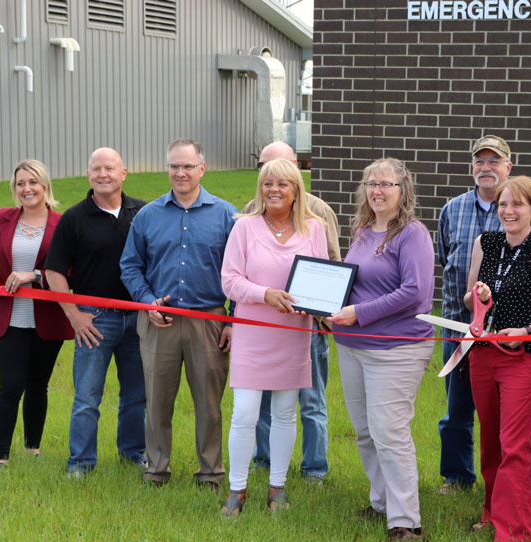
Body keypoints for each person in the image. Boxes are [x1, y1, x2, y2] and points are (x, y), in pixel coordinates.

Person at [436, 135, 531, 494]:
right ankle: (457, 477)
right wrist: (478, 297)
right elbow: (448, 261)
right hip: (464, 329)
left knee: (507, 424)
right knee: (457, 411)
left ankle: (506, 492)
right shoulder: (452, 209)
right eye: (479, 161)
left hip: (513, 341)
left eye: (494, 161)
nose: (486, 168)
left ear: (509, 166)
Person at [330, 158, 435, 542]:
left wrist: (359, 313)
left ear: (402, 191)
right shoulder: (361, 231)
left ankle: (406, 523)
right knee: (364, 432)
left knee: (389, 433)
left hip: (395, 349)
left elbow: (416, 294)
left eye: (386, 184)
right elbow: (353, 283)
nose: (377, 190)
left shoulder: (412, 234)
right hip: (352, 347)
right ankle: (381, 504)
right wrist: (327, 307)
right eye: (371, 183)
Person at [120, 139, 236, 489]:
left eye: (187, 166)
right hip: (159, 321)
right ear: (166, 168)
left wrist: (232, 319)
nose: (180, 173)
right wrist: (147, 300)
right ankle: (156, 470)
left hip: (210, 323)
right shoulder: (148, 215)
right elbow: (130, 266)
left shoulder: (226, 214)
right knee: (156, 401)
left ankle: (210, 473)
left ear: (202, 168)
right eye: (174, 166)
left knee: (209, 404)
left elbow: (240, 272)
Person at [219, 159, 329, 515]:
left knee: (285, 413)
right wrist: (265, 294)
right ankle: (237, 490)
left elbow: (323, 281)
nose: (274, 190)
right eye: (267, 183)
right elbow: (230, 280)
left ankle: (276, 488)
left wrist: (319, 306)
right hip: (253, 334)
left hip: (293, 335)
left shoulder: (314, 229)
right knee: (245, 414)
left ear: (297, 190)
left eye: (282, 184)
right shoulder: (244, 228)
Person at [463, 176, 531, 542]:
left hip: (522, 359)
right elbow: (468, 296)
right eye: (504, 204)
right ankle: (491, 513)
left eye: (518, 205)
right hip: (482, 355)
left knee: (514, 443)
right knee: (489, 439)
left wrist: (526, 330)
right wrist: (480, 295)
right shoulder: (484, 244)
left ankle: (513, 534)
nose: (508, 211)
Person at [241, 141, 341, 484]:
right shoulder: (249, 211)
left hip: (306, 325)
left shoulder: (317, 214)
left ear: (295, 170)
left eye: (281, 172)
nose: (273, 181)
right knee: (265, 402)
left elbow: (331, 267)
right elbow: (239, 271)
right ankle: (265, 459)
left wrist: (320, 312)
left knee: (312, 401)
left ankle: (314, 467)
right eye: (266, 171)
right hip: (262, 327)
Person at [45, 148, 147, 477]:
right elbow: (53, 271)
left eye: (110, 168)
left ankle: (133, 454)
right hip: (94, 319)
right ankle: (81, 463)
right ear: (88, 175)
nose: (103, 174)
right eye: (96, 169)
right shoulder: (75, 218)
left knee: (137, 395)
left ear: (124, 173)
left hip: (138, 319)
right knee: (88, 397)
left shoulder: (143, 213)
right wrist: (74, 315)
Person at [0, 159, 74, 470]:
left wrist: (35, 275)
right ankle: (0, 458)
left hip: (47, 318)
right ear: (14, 189)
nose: (27, 189)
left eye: (33, 182)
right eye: (20, 183)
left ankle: (33, 449)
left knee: (38, 385)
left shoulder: (63, 223)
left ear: (44, 185)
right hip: (8, 318)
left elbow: (71, 269)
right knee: (10, 385)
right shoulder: (0, 218)